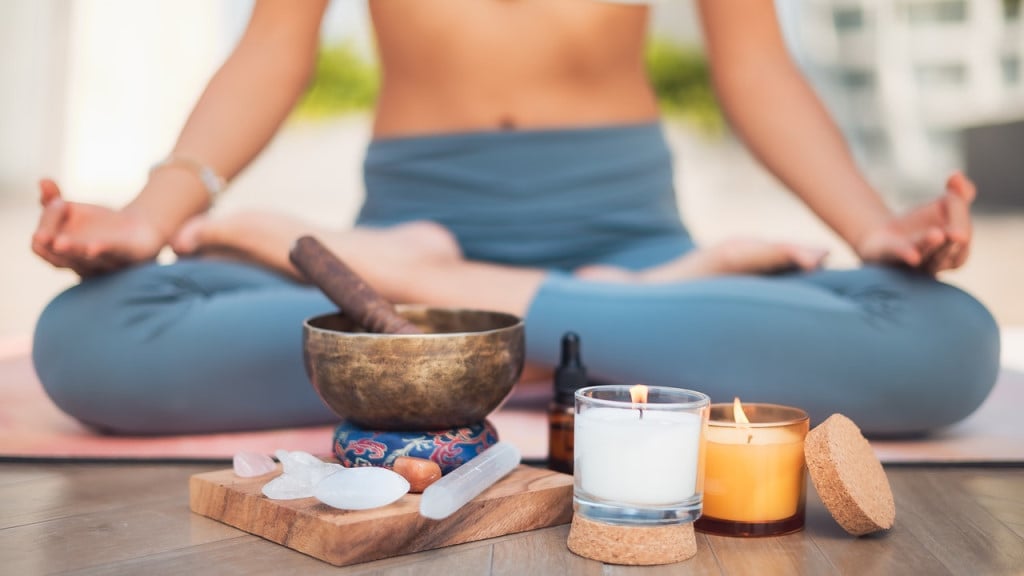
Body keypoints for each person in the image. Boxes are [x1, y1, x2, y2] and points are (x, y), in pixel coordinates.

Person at [31, 0, 998, 436]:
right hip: (424, 223)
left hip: (527, 257)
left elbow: (755, 66)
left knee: (944, 342)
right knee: (93, 336)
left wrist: (875, 231)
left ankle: (445, 305)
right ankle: (606, 333)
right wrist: (149, 217)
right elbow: (272, 48)